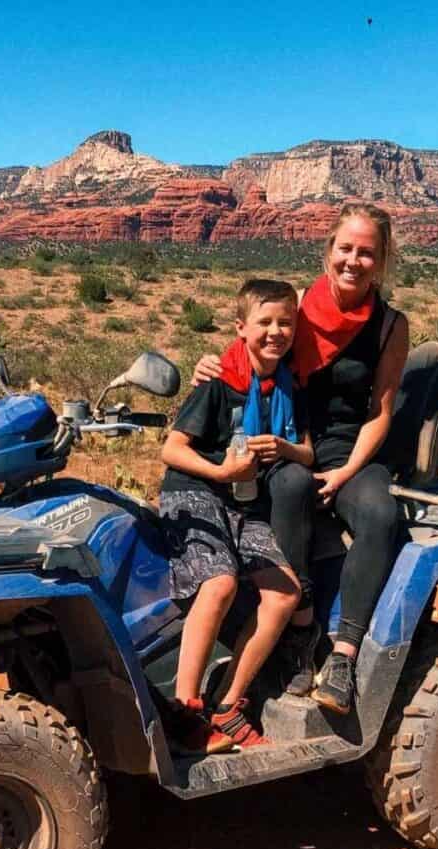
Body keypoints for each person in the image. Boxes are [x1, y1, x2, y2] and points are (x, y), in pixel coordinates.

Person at [192, 204, 409, 715]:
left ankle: (344, 654)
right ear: (328, 250)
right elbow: (252, 349)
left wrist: (347, 472)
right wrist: (211, 364)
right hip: (287, 439)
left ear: (381, 261)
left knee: (380, 514)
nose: (353, 261)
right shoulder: (299, 310)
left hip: (351, 449)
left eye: (366, 253)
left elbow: (380, 410)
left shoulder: (389, 326)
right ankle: (302, 627)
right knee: (289, 486)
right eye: (345, 248)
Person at [160, 279, 312, 754]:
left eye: (285, 322)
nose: (275, 332)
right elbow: (172, 448)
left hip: (243, 501)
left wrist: (284, 448)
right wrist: (222, 470)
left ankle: (227, 704)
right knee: (220, 583)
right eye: (264, 322)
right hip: (196, 490)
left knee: (285, 594)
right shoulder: (218, 381)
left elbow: (306, 452)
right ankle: (186, 711)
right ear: (241, 327)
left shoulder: (287, 385)